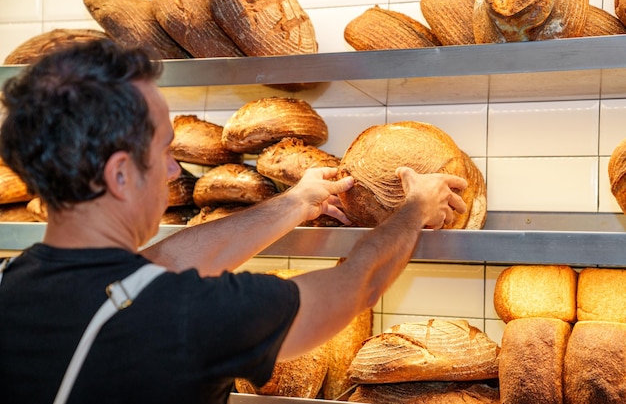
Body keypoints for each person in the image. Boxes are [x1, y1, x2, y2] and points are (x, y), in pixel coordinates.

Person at [0, 39, 468, 404]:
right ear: (120, 174)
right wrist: (413, 212)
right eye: (164, 151)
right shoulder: (189, 316)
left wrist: (293, 204)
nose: (174, 171)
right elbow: (355, 286)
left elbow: (157, 263)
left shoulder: (16, 282)